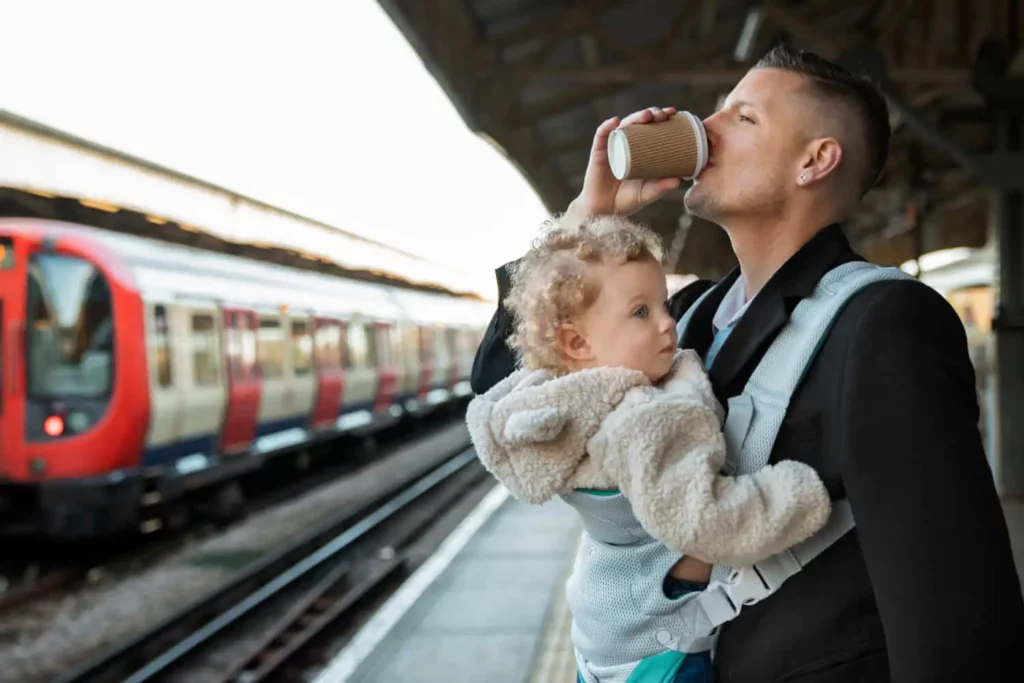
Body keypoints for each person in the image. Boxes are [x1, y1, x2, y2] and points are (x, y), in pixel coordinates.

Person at [471, 43, 1024, 682]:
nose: (703, 129)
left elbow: (954, 614)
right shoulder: (688, 312)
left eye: (742, 118)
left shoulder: (885, 322)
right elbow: (507, 395)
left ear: (815, 161)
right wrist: (586, 220)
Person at [466, 213, 832, 683]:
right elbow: (701, 521)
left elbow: (488, 385)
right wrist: (802, 493)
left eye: (664, 304)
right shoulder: (640, 419)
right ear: (577, 341)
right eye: (641, 312)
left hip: (601, 640)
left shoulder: (549, 395)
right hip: (659, 656)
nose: (667, 324)